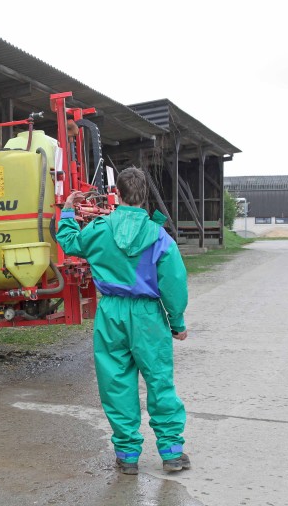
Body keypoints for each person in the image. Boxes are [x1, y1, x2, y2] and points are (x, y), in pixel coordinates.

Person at [55, 167, 189, 476]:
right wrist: (177, 322)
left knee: (116, 383)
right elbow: (173, 282)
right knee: (159, 381)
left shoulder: (100, 228)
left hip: (111, 314)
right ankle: (171, 452)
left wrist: (66, 212)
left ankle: (127, 455)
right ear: (144, 196)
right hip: (147, 316)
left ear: (116, 193)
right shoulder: (158, 234)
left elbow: (71, 243)